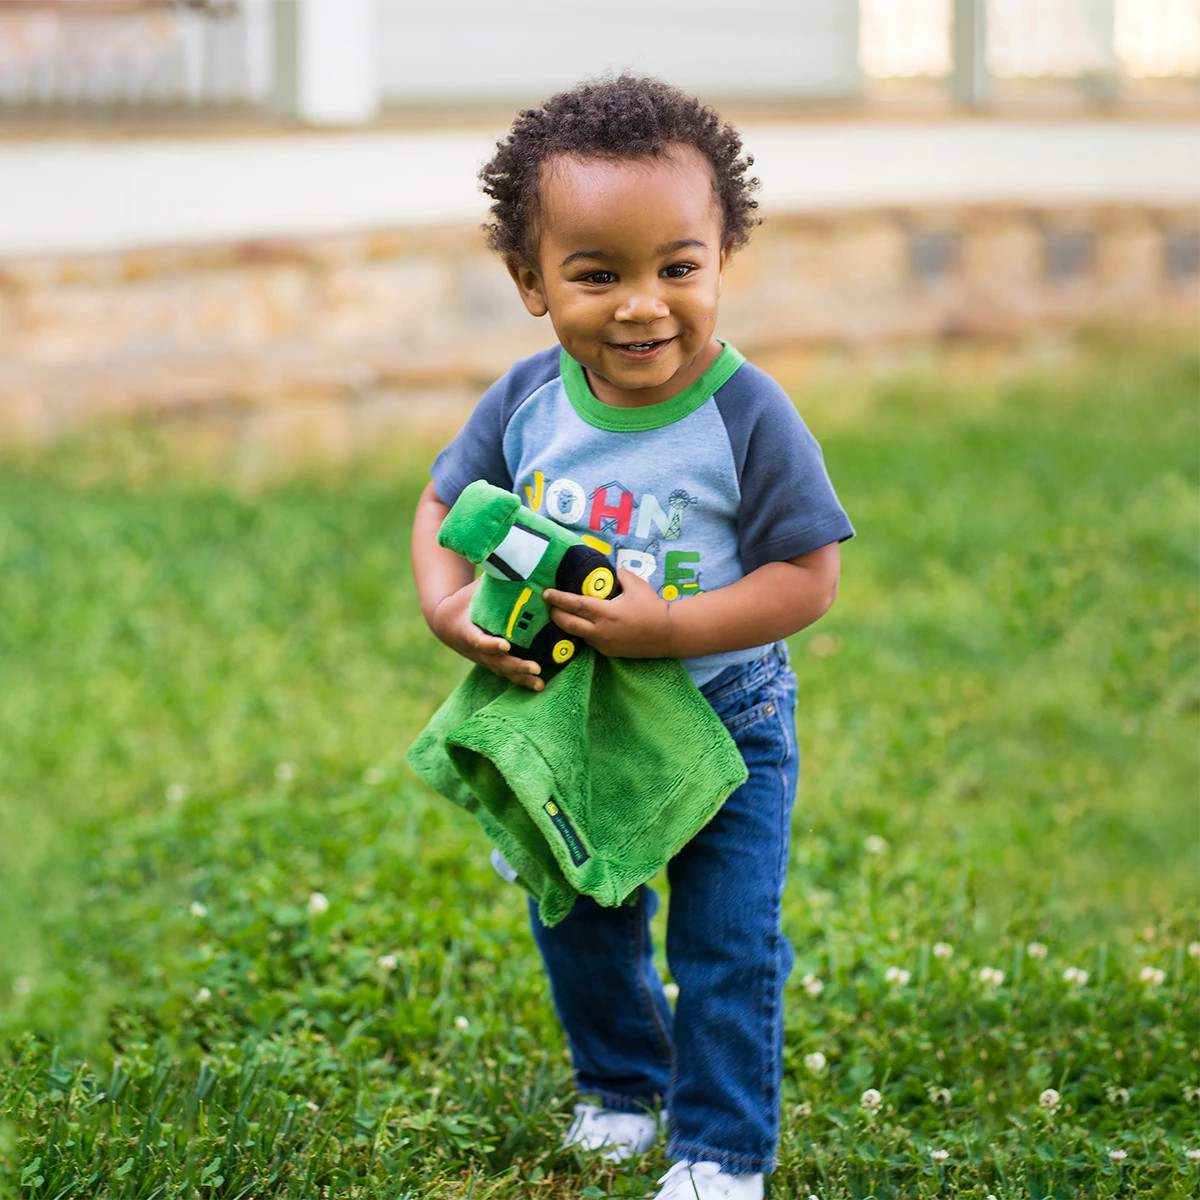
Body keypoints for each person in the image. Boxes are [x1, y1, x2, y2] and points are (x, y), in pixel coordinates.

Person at [410, 76, 853, 1200]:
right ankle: (620, 1086)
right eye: (596, 273)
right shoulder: (527, 399)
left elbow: (809, 578)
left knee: (727, 943)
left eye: (677, 267)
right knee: (586, 914)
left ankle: (721, 1150)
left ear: (721, 260)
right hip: (584, 716)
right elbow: (443, 509)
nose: (642, 304)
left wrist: (673, 627)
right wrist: (447, 606)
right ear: (530, 282)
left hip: (728, 710)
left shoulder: (747, 413)